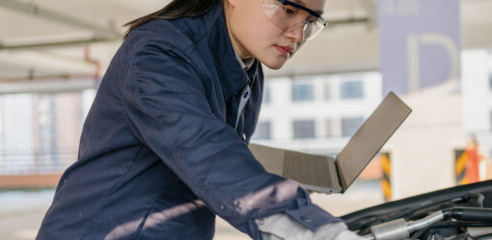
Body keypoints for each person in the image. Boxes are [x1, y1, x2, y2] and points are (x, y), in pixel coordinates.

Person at [36, 0, 363, 239]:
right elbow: (205, 152)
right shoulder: (159, 52)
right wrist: (317, 230)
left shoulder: (248, 67)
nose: (298, 34)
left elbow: (221, 153)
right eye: (289, 10)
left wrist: (276, 184)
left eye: (311, 22)